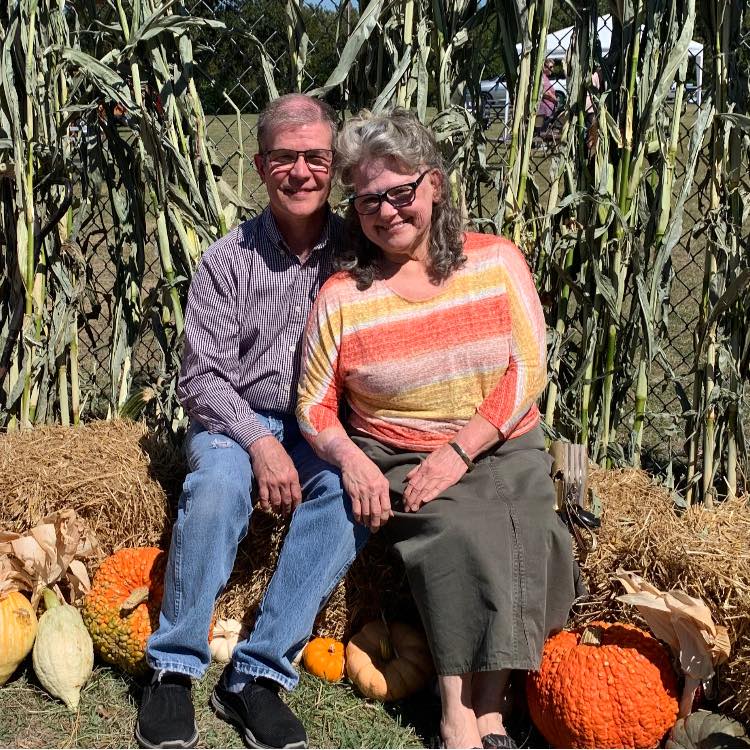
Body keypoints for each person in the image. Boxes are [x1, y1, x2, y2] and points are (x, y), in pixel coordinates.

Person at [296, 109, 576, 750]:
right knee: (454, 531)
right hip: (398, 448)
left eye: (402, 192)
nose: (388, 210)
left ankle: (492, 707)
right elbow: (313, 404)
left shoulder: (496, 260)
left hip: (499, 438)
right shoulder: (343, 295)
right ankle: (456, 712)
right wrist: (353, 461)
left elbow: (528, 363)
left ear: (436, 186)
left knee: (534, 526)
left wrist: (462, 447)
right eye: (369, 200)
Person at [135, 94, 369, 750]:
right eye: (285, 158)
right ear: (261, 165)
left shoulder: (360, 254)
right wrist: (262, 441)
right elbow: (202, 379)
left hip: (324, 422)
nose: (300, 171)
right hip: (238, 418)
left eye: (316, 157)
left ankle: (256, 675)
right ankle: (173, 666)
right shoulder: (225, 261)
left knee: (349, 495)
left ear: (335, 166)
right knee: (215, 488)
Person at [538, 58, 559, 129]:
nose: (552, 69)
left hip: (548, 110)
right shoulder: (542, 77)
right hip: (545, 110)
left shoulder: (545, 78)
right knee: (543, 129)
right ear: (544, 67)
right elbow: (545, 92)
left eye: (552, 67)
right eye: (550, 67)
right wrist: (555, 99)